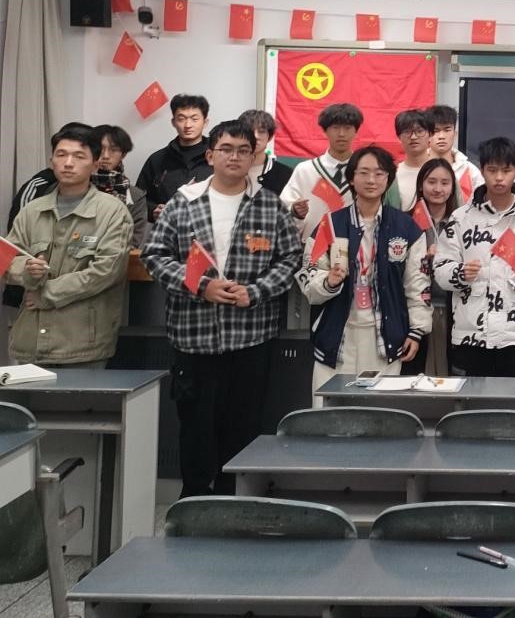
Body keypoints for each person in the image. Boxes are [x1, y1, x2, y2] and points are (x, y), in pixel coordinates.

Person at [141, 120, 301, 497]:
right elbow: (154, 256)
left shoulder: (270, 205)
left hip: (251, 338)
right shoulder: (183, 201)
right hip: (194, 337)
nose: (234, 157)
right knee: (195, 425)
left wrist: (256, 291)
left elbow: (290, 258)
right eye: (226, 149)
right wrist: (201, 286)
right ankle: (195, 500)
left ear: (253, 156)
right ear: (210, 155)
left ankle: (234, 499)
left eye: (243, 150)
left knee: (243, 426)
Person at [297, 145, 430, 393]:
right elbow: (308, 277)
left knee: (379, 410)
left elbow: (417, 284)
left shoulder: (406, 228)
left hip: (386, 337)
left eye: (379, 173)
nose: (371, 180)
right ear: (351, 178)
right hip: (337, 336)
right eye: (364, 172)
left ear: (388, 179)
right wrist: (328, 282)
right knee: (330, 409)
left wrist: (416, 331)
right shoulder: (330, 225)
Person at [433, 137, 515, 377]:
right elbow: (440, 267)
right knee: (472, 396)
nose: (499, 178)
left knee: (513, 397)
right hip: (472, 331)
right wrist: (459, 273)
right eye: (492, 170)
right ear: (482, 170)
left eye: (506, 170)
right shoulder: (462, 218)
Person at [5, 125, 133, 368]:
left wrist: (47, 294)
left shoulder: (112, 212)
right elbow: (7, 260)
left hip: (82, 344)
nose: (68, 163)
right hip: (30, 341)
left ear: (95, 164)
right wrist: (26, 269)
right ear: (51, 160)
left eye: (79, 156)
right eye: (61, 154)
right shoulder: (32, 210)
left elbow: (106, 272)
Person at [405, 158, 460, 377]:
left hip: (452, 309)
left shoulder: (462, 222)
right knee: (416, 374)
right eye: (431, 182)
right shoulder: (405, 222)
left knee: (451, 375)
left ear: (452, 187)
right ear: (421, 185)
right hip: (415, 310)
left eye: (445, 183)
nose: (438, 189)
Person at [280, 102, 362, 240]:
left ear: (356, 131)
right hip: (312, 248)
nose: (341, 134)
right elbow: (282, 213)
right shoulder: (305, 170)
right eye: (335, 128)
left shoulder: (364, 172)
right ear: (325, 131)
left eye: (347, 128)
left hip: (356, 248)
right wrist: (296, 212)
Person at [136, 93, 212, 221]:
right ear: (173, 122)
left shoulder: (218, 156)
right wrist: (153, 210)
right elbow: (138, 199)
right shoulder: (157, 159)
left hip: (210, 229)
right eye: (181, 119)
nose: (188, 125)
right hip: (167, 229)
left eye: (194, 119)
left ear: (205, 122)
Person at [91, 124, 150, 248]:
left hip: (118, 256)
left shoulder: (134, 196)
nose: (105, 156)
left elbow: (134, 240)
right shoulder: (78, 187)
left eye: (113, 150)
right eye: (100, 149)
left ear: (123, 154)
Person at [424, 105, 484, 205]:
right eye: (435, 131)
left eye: (447, 130)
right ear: (427, 134)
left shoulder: (470, 172)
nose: (441, 136)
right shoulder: (418, 167)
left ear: (455, 133)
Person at [237, 109, 292, 196]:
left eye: (261, 131)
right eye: (249, 131)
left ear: (270, 137)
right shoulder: (225, 168)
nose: (256, 136)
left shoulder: (285, 174)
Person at [385, 109, 430, 211]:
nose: (413, 137)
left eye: (420, 131)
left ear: (430, 134)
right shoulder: (392, 176)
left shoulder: (445, 171)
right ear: (398, 137)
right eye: (407, 132)